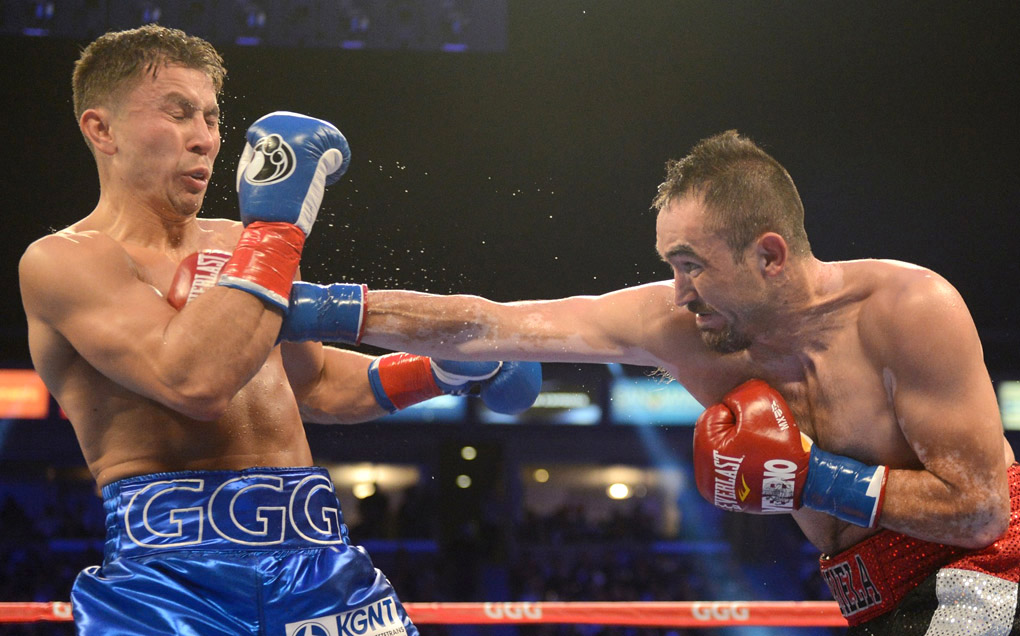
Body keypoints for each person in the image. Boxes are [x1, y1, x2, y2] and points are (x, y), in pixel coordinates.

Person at [299, 131, 1019, 633]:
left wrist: (816, 478)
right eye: (670, 265)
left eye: (692, 264)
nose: (678, 293)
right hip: (877, 601)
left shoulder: (906, 310)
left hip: (988, 577)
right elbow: (484, 324)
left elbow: (981, 510)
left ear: (769, 254)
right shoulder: (679, 329)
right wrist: (309, 307)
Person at [18, 25, 540, 636]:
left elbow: (314, 384)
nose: (204, 140)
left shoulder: (242, 242)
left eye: (212, 118)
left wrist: (441, 370)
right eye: (179, 113)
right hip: (169, 581)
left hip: (321, 562)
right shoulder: (64, 261)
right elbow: (193, 382)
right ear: (100, 129)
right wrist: (278, 230)